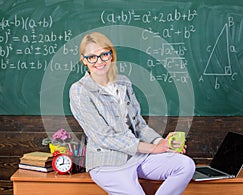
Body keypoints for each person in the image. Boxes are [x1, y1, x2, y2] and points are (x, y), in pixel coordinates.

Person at [69, 32, 195, 195]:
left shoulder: (123, 82)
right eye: (92, 57)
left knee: (185, 165)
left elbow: (139, 125)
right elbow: (104, 138)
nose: (99, 61)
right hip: (108, 163)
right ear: (84, 60)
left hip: (137, 156)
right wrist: (153, 148)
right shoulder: (79, 90)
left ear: (111, 55)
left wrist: (162, 143)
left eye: (104, 55)